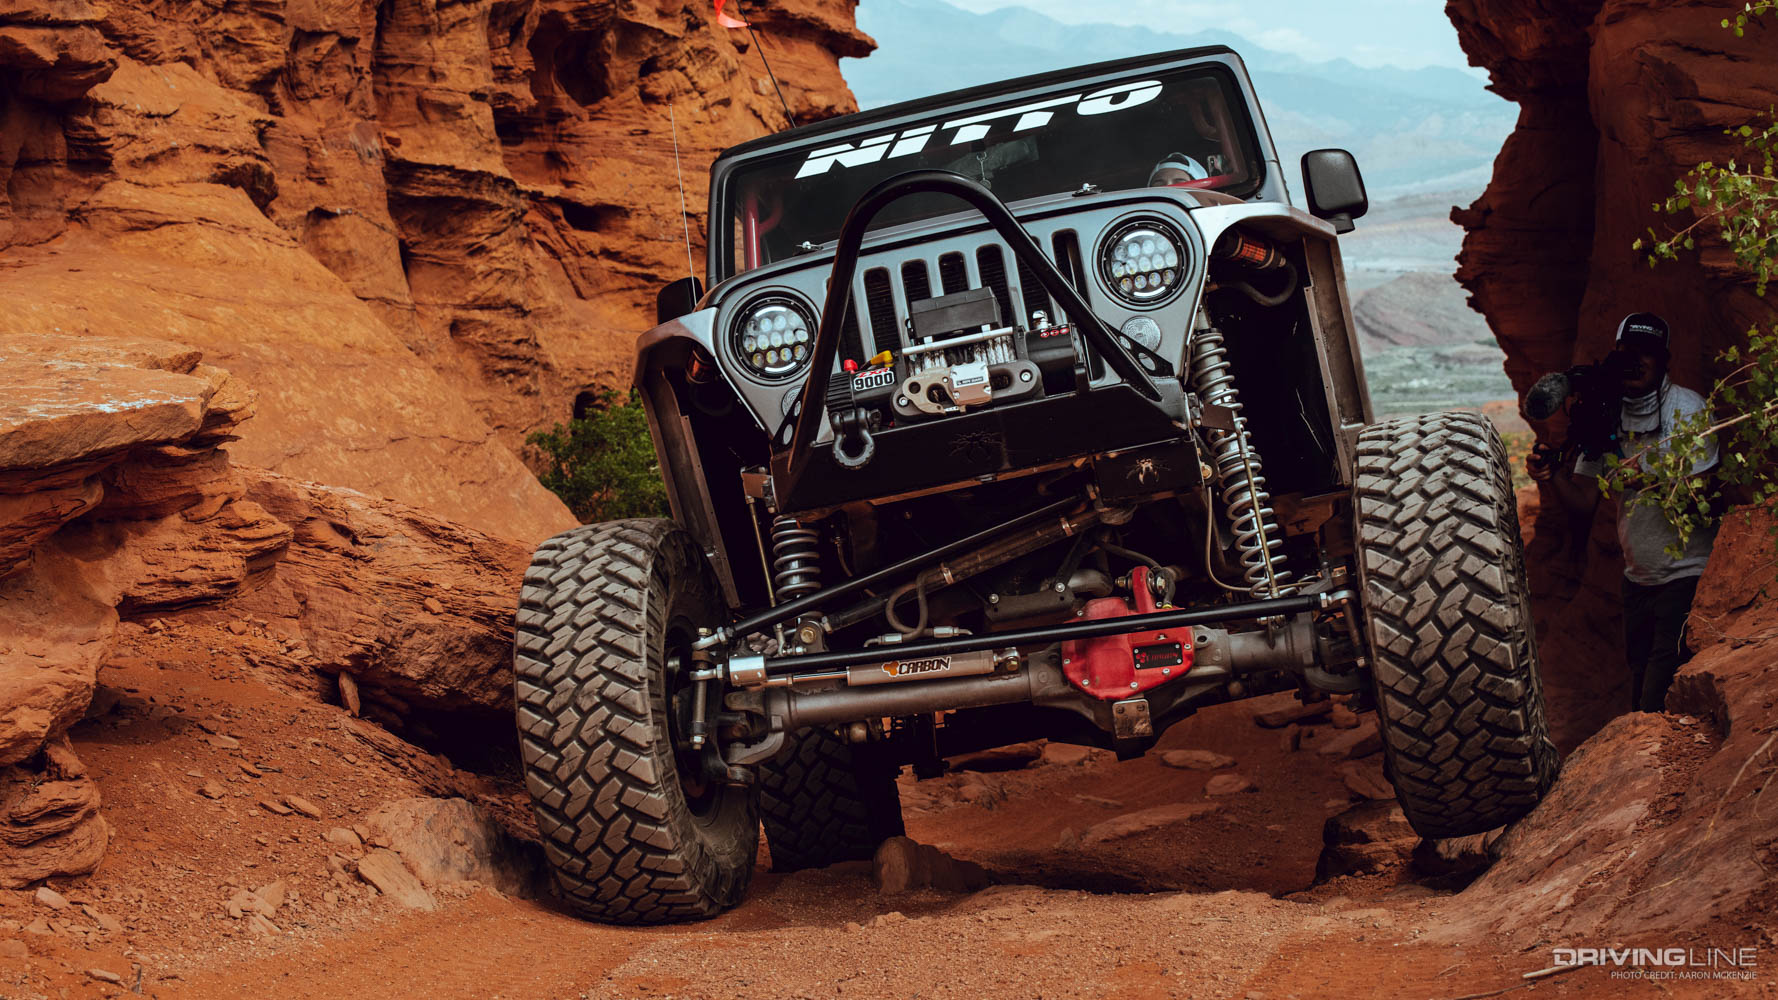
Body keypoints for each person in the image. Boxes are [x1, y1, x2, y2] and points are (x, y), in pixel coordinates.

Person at [1530, 312, 1719, 713]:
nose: (1636, 360)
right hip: (1637, 581)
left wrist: (1647, 474)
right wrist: (1550, 476)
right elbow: (1583, 501)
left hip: (1686, 574)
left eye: (1647, 352)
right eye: (1628, 350)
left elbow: (1701, 493)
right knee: (1641, 680)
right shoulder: (1605, 411)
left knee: (1655, 697)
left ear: (1664, 358)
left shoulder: (1688, 410)